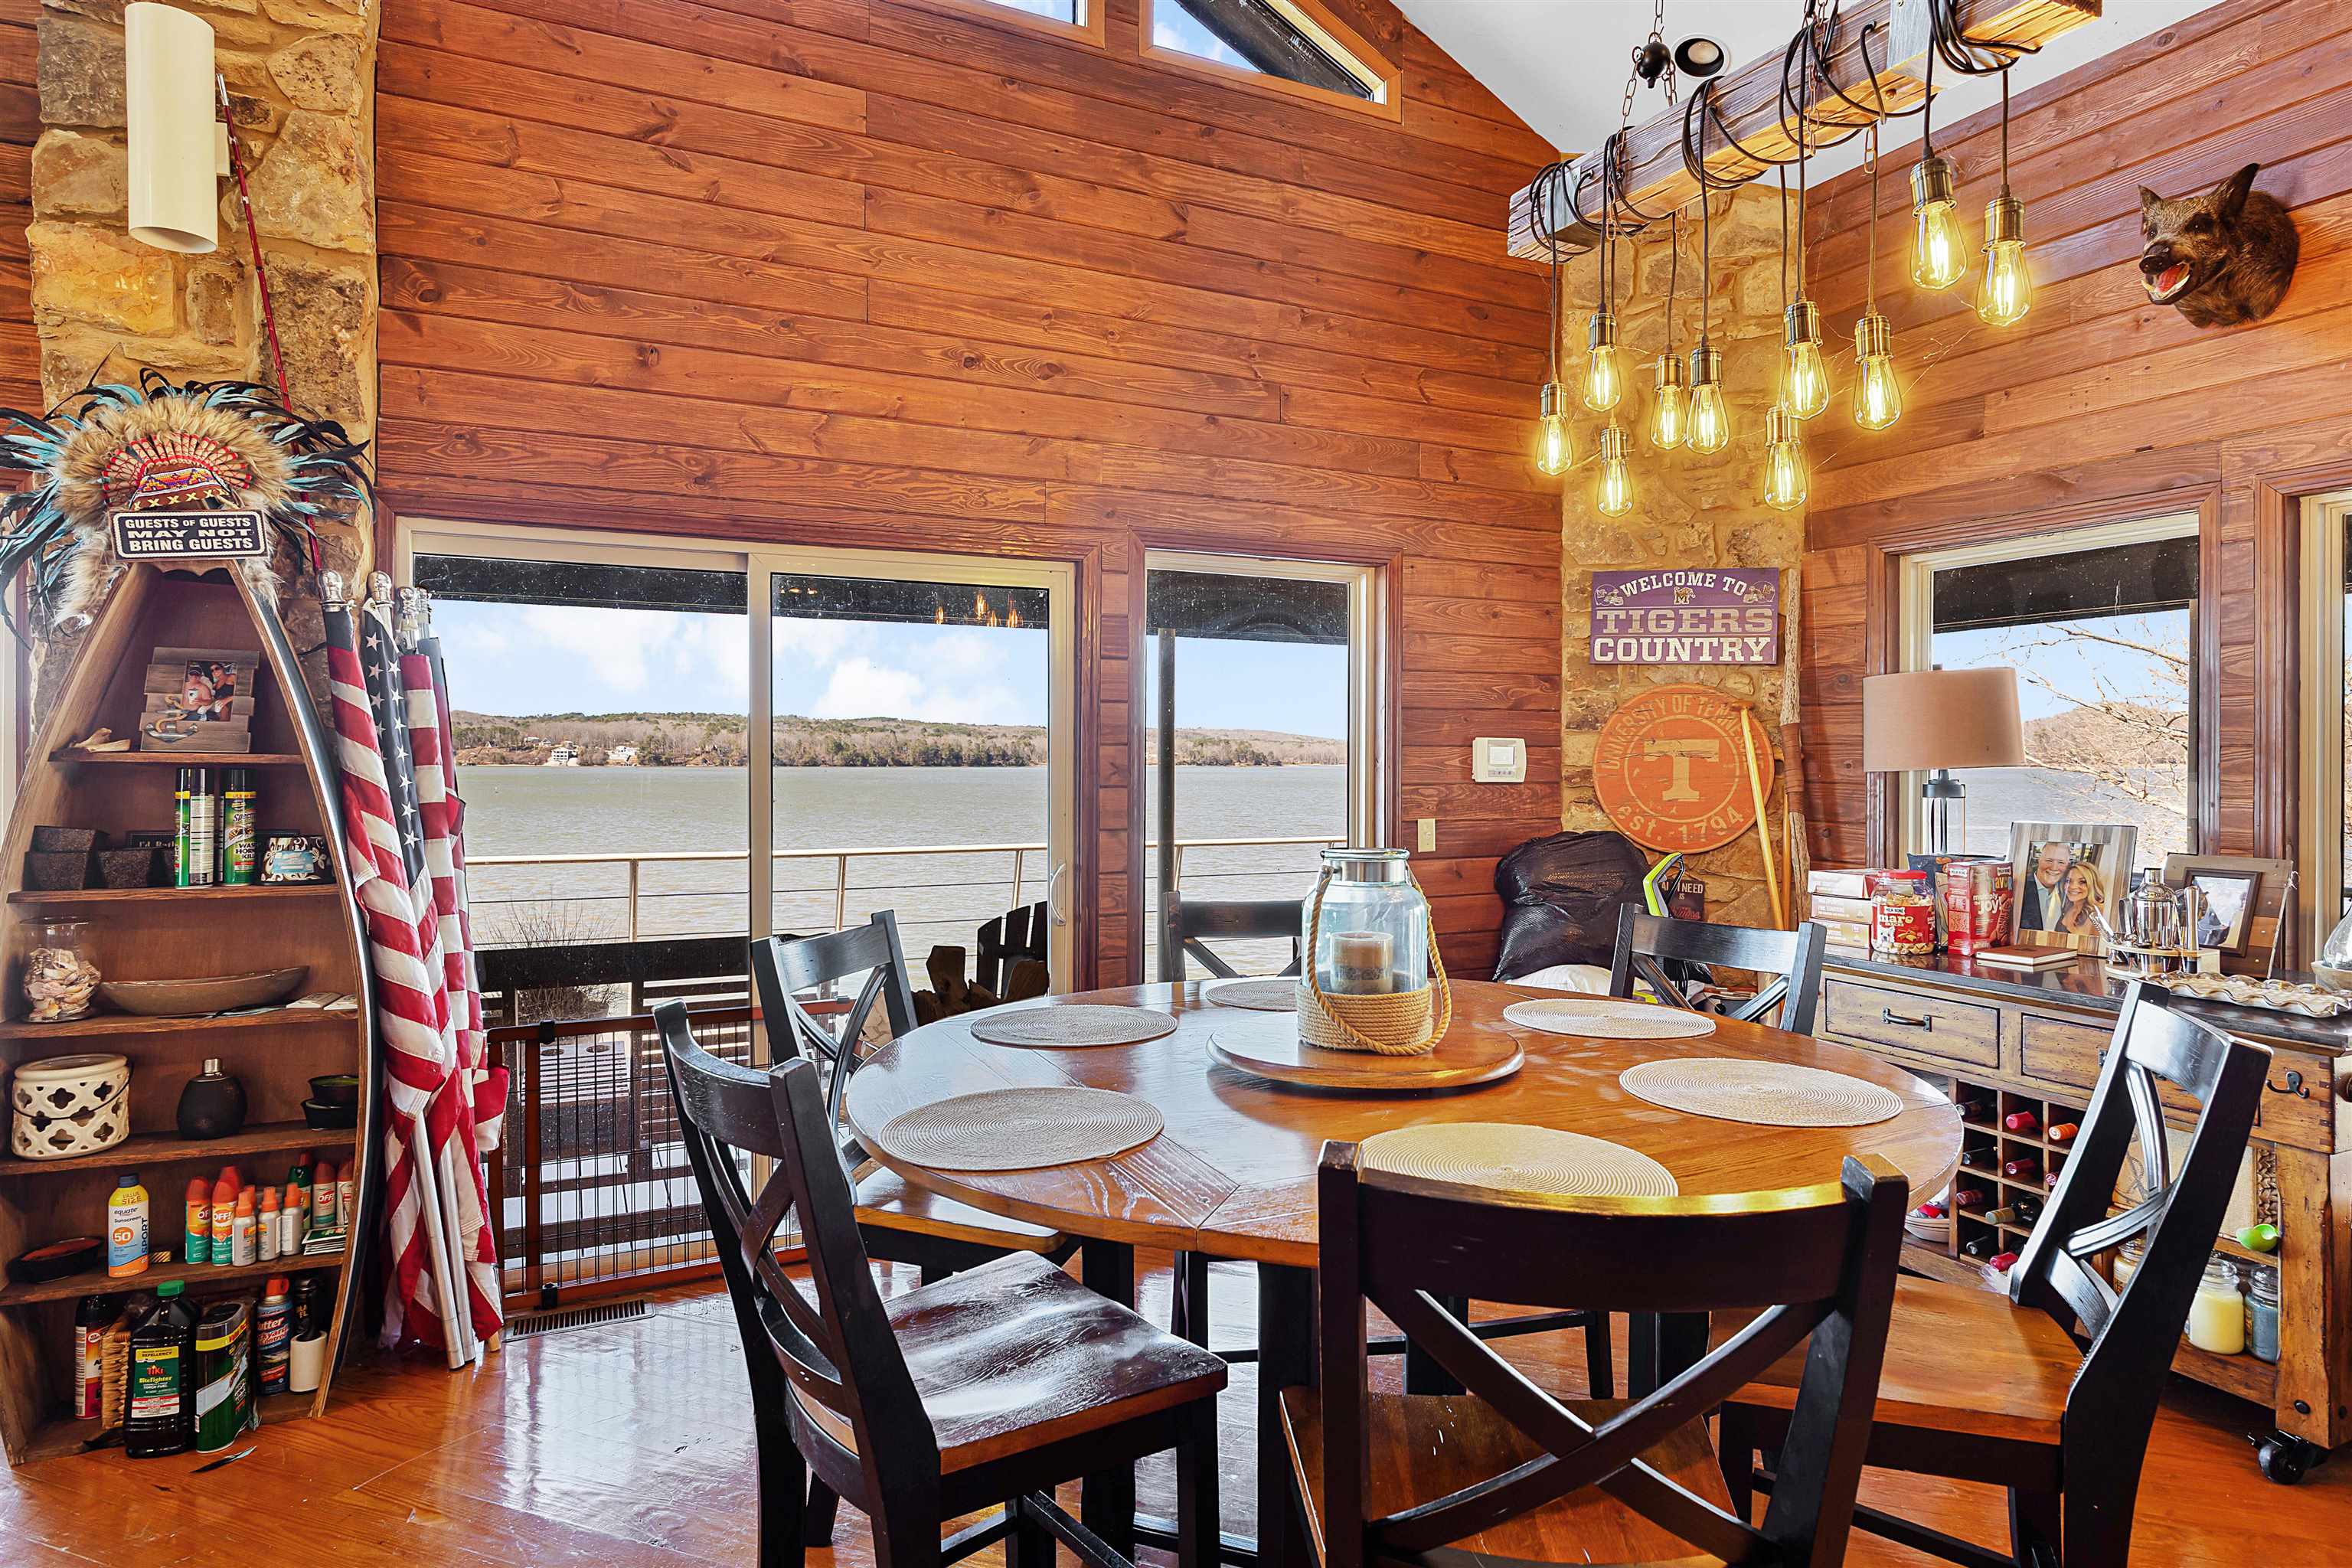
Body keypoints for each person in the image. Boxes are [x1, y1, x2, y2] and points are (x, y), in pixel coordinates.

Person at [2017, 840, 2073, 931]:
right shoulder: (2019, 888)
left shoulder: (2070, 895)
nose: (2054, 868)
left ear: (2068, 865)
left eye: (2061, 862)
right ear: (2039, 860)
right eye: (2049, 860)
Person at [2054, 860, 2109, 942]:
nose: (2073, 887)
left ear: (2092, 885)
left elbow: (2099, 949)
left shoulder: (2099, 914)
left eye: (2082, 882)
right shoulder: (2068, 907)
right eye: (2068, 881)